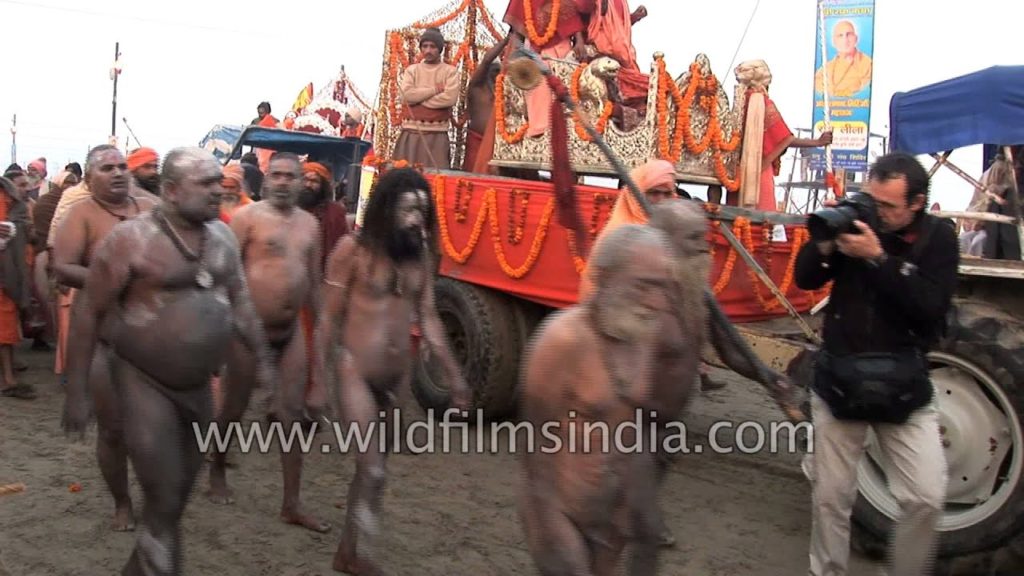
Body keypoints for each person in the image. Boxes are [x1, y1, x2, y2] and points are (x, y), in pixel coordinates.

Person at [64, 147, 279, 576]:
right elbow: (89, 312)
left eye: (218, 181)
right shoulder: (130, 240)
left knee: (174, 499)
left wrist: (268, 366)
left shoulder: (221, 237)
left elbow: (241, 305)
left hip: (198, 388)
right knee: (163, 498)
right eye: (206, 184)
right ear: (172, 191)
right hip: (144, 383)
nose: (218, 189)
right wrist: (76, 391)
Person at [794, 152, 958, 576]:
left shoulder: (939, 237)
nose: (878, 213)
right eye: (873, 200)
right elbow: (805, 279)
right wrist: (826, 244)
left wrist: (878, 258)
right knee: (831, 497)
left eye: (889, 207)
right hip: (838, 382)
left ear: (917, 203)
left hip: (903, 386)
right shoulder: (858, 222)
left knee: (925, 496)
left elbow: (929, 305)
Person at [315, 167, 471, 575]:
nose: (417, 219)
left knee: (373, 471)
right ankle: (362, 556)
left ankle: (346, 554)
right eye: (408, 210)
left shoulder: (420, 255)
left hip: (395, 379)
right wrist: (316, 381)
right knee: (373, 468)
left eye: (422, 210)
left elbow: (429, 318)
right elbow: (327, 322)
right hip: (354, 371)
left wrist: (454, 377)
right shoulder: (353, 251)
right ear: (386, 209)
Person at [520, 223, 671, 575]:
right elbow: (533, 452)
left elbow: (634, 425)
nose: (656, 301)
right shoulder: (562, 340)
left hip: (612, 513)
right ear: (604, 278)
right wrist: (550, 525)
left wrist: (637, 512)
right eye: (643, 285)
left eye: (662, 287)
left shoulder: (643, 334)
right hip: (559, 512)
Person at [207, 152, 329, 534]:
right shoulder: (246, 219)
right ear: (265, 179)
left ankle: (291, 503)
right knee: (232, 409)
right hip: (246, 330)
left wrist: (324, 332)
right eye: (275, 175)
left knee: (290, 416)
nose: (282, 182)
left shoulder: (311, 225)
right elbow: (224, 276)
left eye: (290, 176)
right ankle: (216, 469)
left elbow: (314, 283)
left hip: (290, 332)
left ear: (299, 181)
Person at [55, 145, 157, 531]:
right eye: (106, 168)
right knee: (113, 430)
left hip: (155, 337)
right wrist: (113, 277)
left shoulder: (150, 209)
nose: (117, 173)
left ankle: (155, 499)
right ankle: (122, 504)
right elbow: (63, 266)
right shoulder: (81, 214)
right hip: (106, 338)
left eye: (121, 167)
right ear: (89, 177)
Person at [734, 59, 832, 211]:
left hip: (737, 170)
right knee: (763, 219)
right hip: (758, 170)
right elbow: (784, 137)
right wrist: (817, 142)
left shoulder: (739, 101)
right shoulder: (763, 102)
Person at [503, 0, 589, 138]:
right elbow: (516, 32)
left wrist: (579, 41)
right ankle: (540, 133)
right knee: (537, 86)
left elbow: (573, 16)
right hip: (534, 54)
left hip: (564, 50)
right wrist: (510, 61)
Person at [392, 28, 460, 169]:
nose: (428, 50)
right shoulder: (412, 70)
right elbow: (405, 96)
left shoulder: (450, 72)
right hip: (410, 135)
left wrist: (417, 100)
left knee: (436, 180)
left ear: (440, 49)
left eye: (433, 46)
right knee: (404, 176)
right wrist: (434, 90)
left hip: (436, 137)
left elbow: (449, 99)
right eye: (425, 46)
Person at [579, 0, 650, 110]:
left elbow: (617, 29)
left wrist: (634, 17)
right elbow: (581, 8)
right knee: (650, 87)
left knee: (653, 88)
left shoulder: (622, 2)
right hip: (602, 58)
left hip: (624, 58)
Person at [0, 173, 33, 399]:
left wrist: (13, 228)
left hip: (6, 272)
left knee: (6, 324)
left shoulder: (9, 193)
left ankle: (9, 378)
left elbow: (21, 222)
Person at [463, 32, 511, 174]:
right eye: (493, 70)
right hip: (476, 141)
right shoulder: (477, 87)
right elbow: (486, 61)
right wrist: (506, 40)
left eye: (498, 71)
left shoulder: (505, 91)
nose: (495, 75)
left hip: (498, 144)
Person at [814, 20, 873, 98]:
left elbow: (864, 92)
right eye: (840, 36)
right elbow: (817, 87)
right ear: (834, 41)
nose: (845, 40)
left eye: (849, 35)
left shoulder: (868, 65)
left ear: (856, 39)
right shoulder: (826, 69)